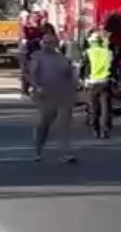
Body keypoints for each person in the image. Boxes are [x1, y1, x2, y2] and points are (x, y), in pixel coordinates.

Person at [27, 34, 78, 163]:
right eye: (44, 42)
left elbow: (70, 76)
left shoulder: (62, 58)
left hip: (63, 95)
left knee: (64, 124)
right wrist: (36, 87)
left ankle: (66, 152)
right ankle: (38, 150)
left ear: (55, 44)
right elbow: (32, 74)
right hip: (46, 95)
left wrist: (74, 91)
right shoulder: (37, 56)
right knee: (44, 124)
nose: (46, 45)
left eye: (50, 42)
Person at [81, 31, 114, 139]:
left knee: (94, 107)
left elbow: (85, 67)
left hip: (93, 82)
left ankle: (95, 129)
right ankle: (104, 130)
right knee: (105, 108)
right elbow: (112, 67)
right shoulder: (108, 52)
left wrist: (84, 79)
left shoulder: (88, 52)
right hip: (105, 81)